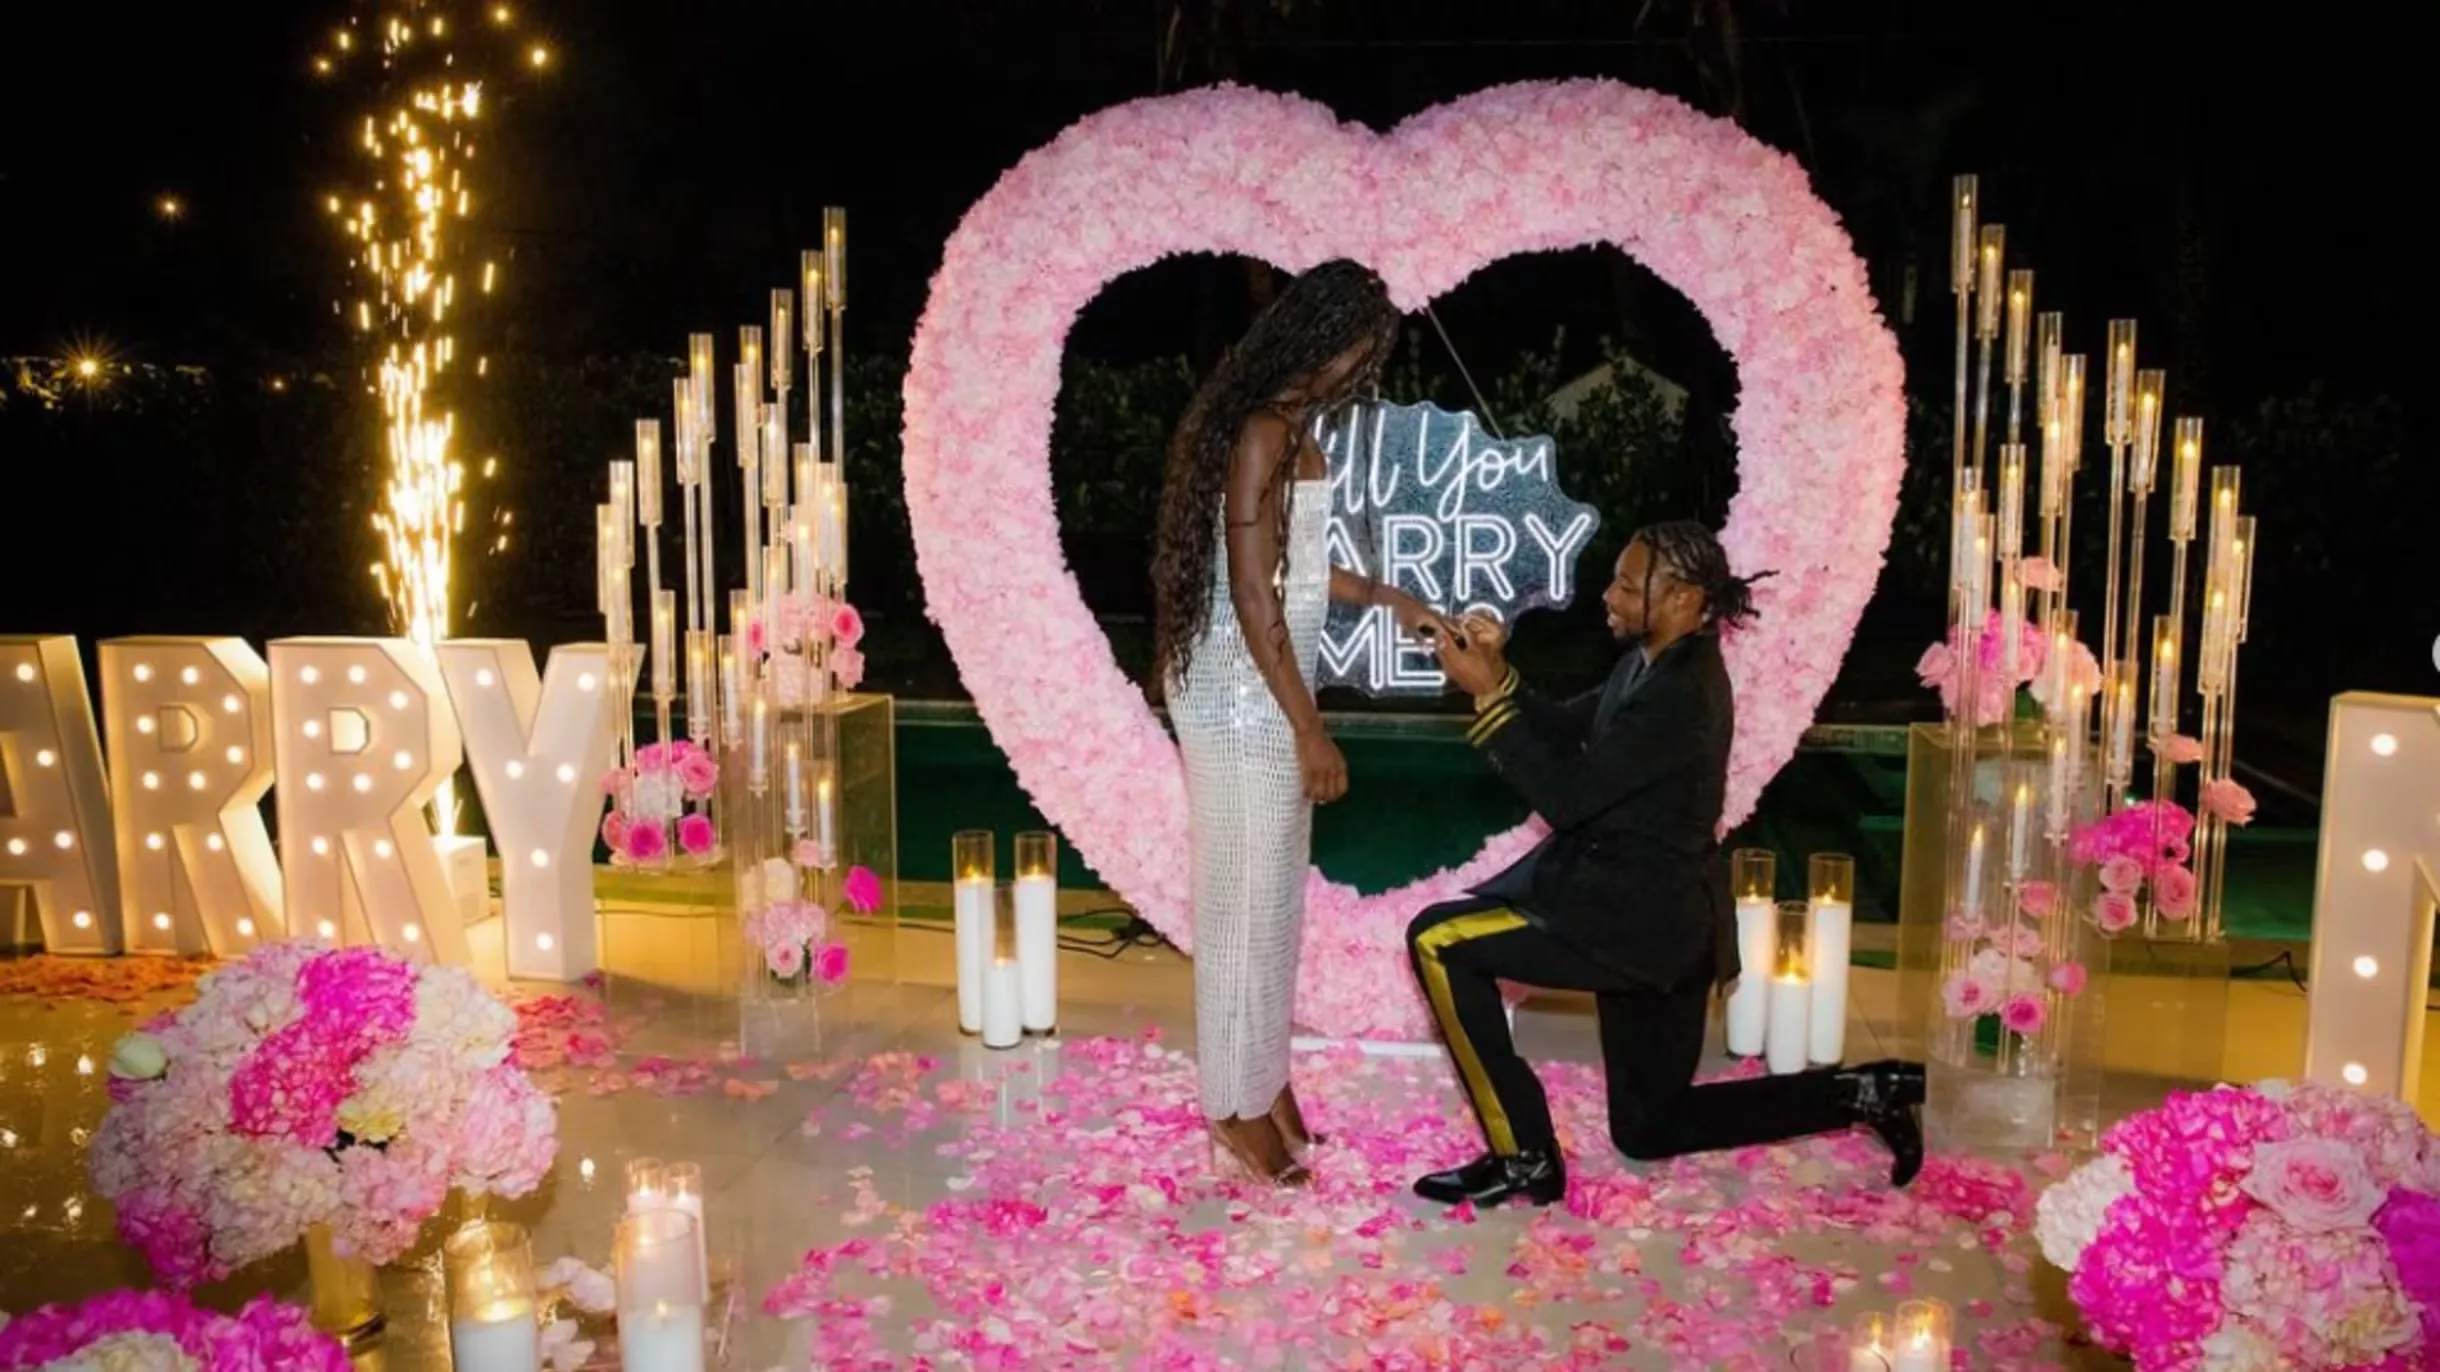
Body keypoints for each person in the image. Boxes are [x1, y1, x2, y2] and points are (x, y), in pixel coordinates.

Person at [1404, 521, 1927, 1207]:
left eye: (1627, 584)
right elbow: (1569, 726)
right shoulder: (1653, 662)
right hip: (1661, 921)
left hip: (1638, 923)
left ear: (1681, 599)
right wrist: (1499, 674)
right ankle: (1868, 1090)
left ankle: (1524, 1156)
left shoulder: (1683, 695)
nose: (1608, 595)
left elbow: (1569, 800)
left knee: (1438, 941)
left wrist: (1490, 699)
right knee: (1652, 1128)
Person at [1153, 260, 1454, 1185]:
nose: (1365, 365)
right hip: (1242, 692)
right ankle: (1233, 1107)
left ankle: (1263, 1077)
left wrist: (1390, 595)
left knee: (1275, 900)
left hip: (1268, 684)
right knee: (1240, 906)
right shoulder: (1259, 432)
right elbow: (1251, 594)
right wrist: (1308, 728)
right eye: (1362, 346)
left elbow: (1299, 569)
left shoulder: (1287, 429)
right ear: (1322, 336)